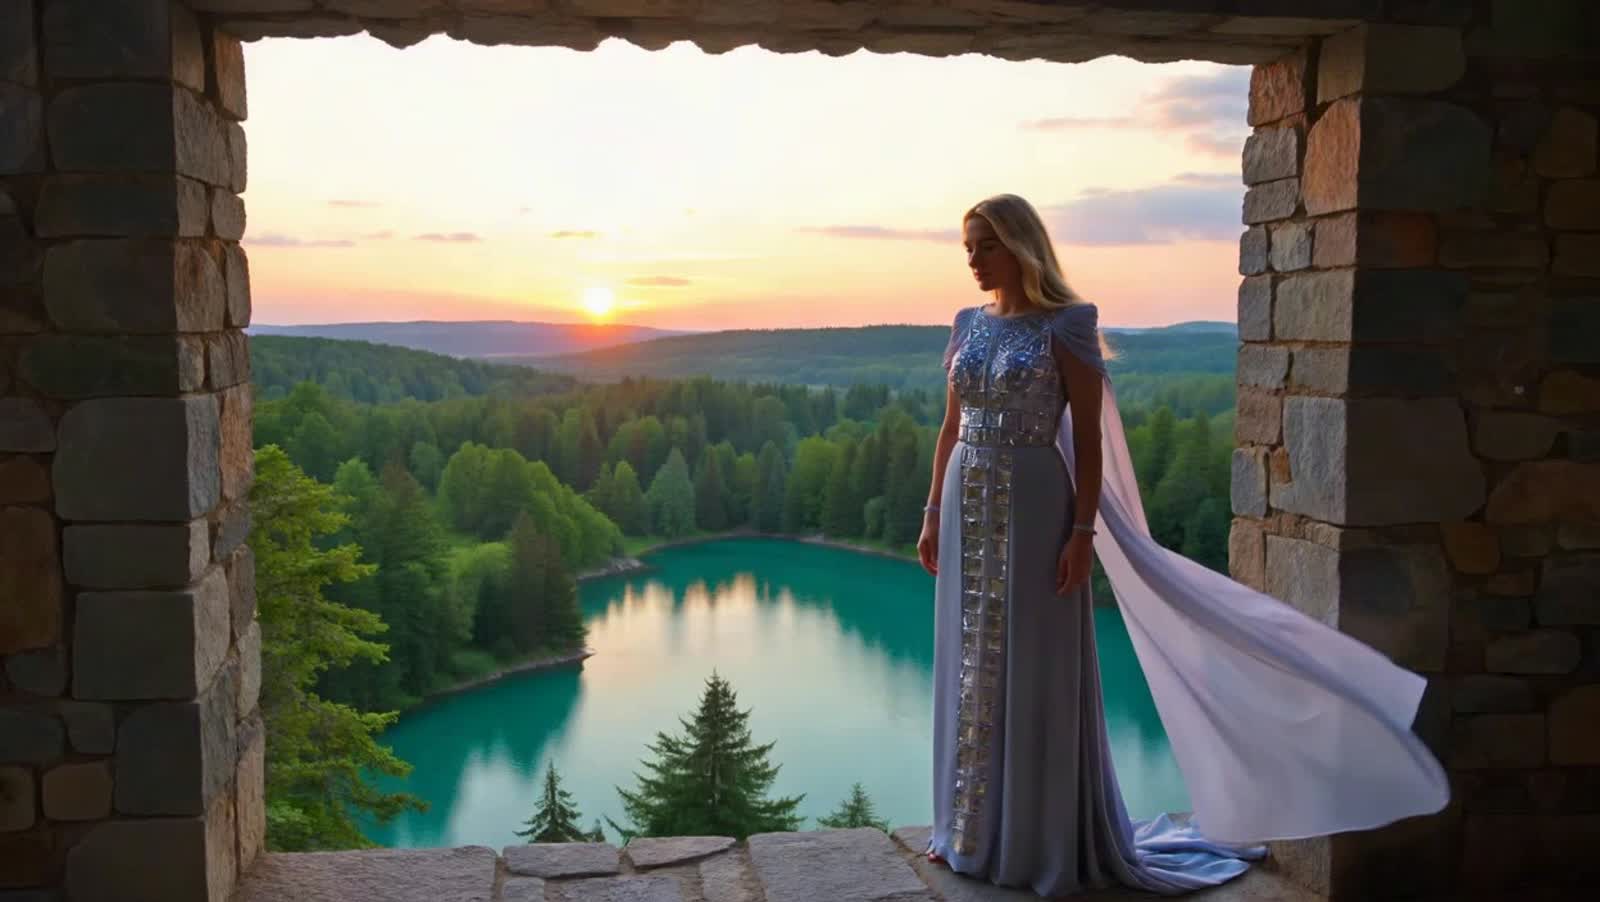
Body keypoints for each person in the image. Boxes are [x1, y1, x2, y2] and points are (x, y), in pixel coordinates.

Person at [917, 194, 1449, 897]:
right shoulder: (967, 324)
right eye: (968, 247)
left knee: (1033, 662)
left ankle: (1033, 841)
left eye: (985, 245)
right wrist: (932, 511)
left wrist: (1081, 533)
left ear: (1020, 246)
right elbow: (950, 427)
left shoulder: (1067, 325)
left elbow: (1087, 442)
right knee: (970, 660)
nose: (973, 260)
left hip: (1037, 504)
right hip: (966, 504)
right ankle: (968, 831)